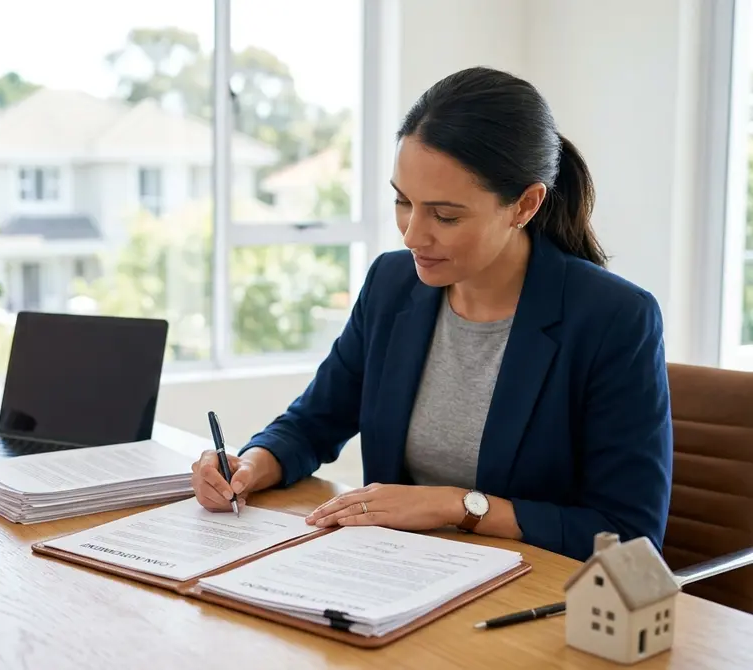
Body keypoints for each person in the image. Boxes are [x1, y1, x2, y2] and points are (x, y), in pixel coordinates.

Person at [191, 66, 673, 563]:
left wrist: (457, 506)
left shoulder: (615, 318)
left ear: (525, 205)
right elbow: (311, 423)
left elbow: (630, 536)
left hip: (530, 594)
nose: (412, 235)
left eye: (445, 216)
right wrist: (248, 464)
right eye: (403, 201)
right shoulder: (391, 285)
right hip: (397, 576)